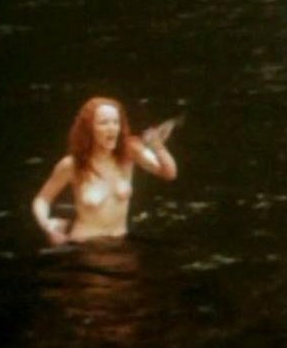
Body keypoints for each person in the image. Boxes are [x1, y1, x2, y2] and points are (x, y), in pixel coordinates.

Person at [32, 97, 178, 245]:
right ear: (89, 129)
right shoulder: (72, 165)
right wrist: (47, 226)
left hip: (121, 242)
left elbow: (169, 173)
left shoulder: (129, 152)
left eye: (116, 122)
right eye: (104, 123)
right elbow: (42, 199)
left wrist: (158, 147)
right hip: (86, 246)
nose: (112, 128)